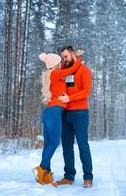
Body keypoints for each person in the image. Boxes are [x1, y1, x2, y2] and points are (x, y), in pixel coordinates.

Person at [33, 51, 83, 186]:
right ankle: (41, 168)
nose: (62, 63)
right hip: (54, 112)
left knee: (48, 143)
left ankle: (46, 174)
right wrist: (76, 58)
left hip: (49, 111)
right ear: (55, 64)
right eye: (60, 62)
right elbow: (72, 69)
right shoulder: (56, 73)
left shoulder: (52, 74)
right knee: (54, 143)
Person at [56, 46, 93, 188]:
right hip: (65, 113)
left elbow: (86, 91)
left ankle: (88, 177)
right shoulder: (64, 71)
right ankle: (68, 176)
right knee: (66, 146)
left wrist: (69, 98)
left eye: (66, 56)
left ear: (72, 54)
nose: (64, 59)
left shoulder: (84, 70)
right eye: (62, 57)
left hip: (80, 113)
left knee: (83, 145)